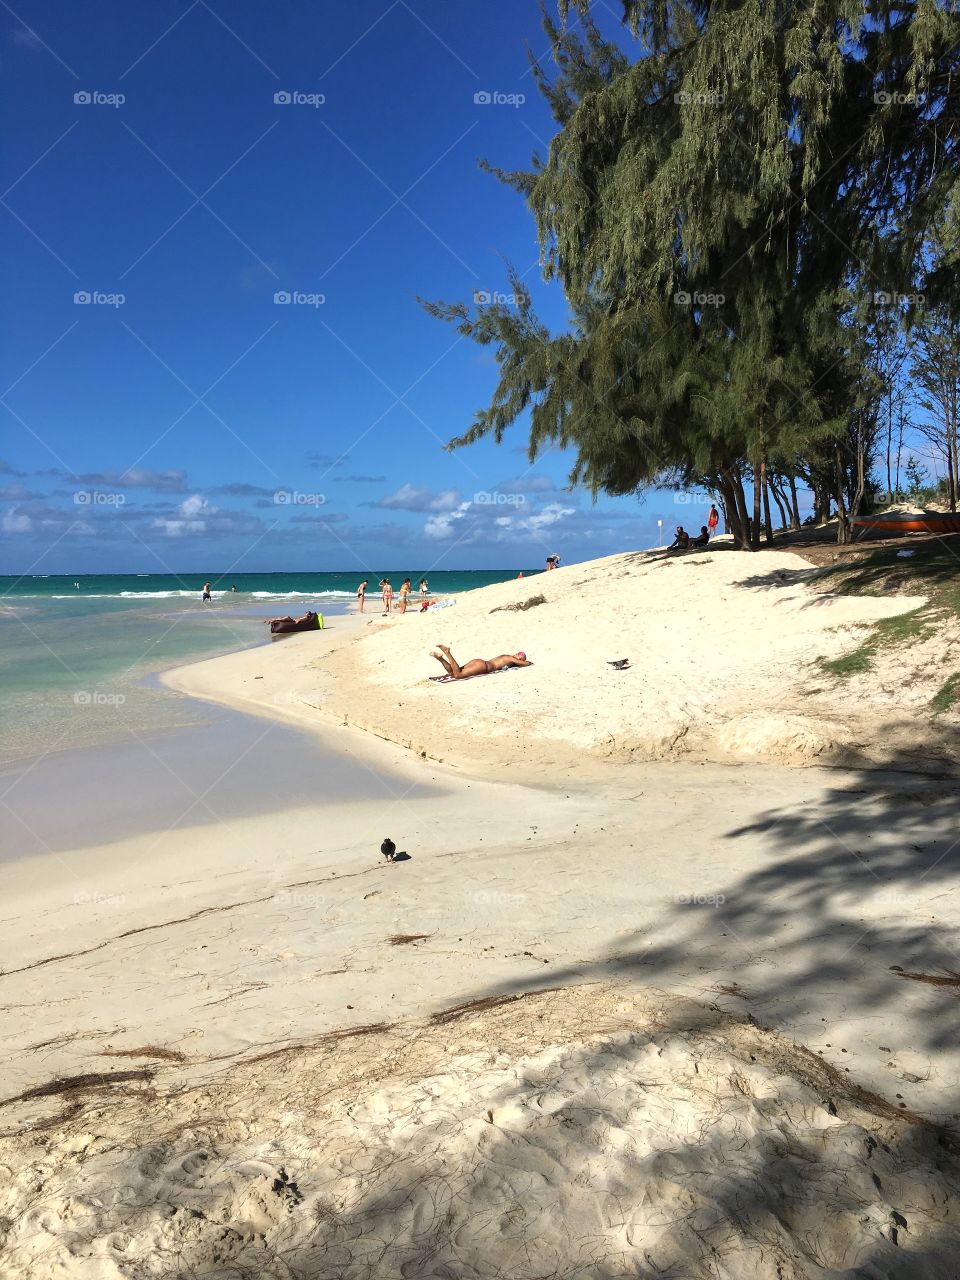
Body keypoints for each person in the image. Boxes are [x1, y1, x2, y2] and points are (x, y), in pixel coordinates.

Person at [430, 644, 532, 680]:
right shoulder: (510, 658)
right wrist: (528, 663)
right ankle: (447, 653)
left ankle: (440, 658)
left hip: (479, 662)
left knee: (453, 672)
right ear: (518, 657)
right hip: (483, 666)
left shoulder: (505, 656)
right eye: (520, 659)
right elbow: (525, 664)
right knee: (458, 675)